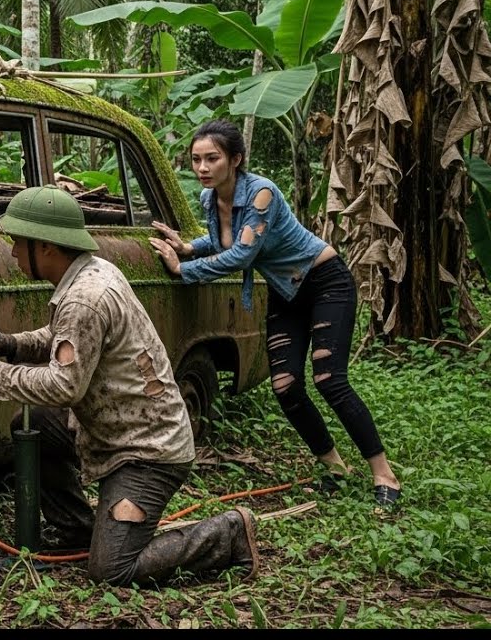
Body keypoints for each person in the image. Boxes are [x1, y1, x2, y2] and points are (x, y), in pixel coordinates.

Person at [0, 185, 260, 587]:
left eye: (18, 243)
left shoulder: (85, 297)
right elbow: (66, 336)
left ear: (45, 246)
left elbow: (65, 386)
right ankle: (79, 530)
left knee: (112, 570)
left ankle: (227, 533)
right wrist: (12, 345)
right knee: (38, 424)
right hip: (116, 431)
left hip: (148, 452)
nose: (13, 253)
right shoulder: (92, 270)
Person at [148, 118, 401, 508]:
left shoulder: (261, 193)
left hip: (323, 281)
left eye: (211, 158)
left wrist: (185, 272)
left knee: (330, 380)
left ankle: (384, 475)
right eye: (196, 159)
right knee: (285, 386)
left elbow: (243, 253)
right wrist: (188, 248)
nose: (201, 167)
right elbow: (222, 240)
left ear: (235, 159)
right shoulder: (208, 200)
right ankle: (335, 468)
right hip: (286, 292)